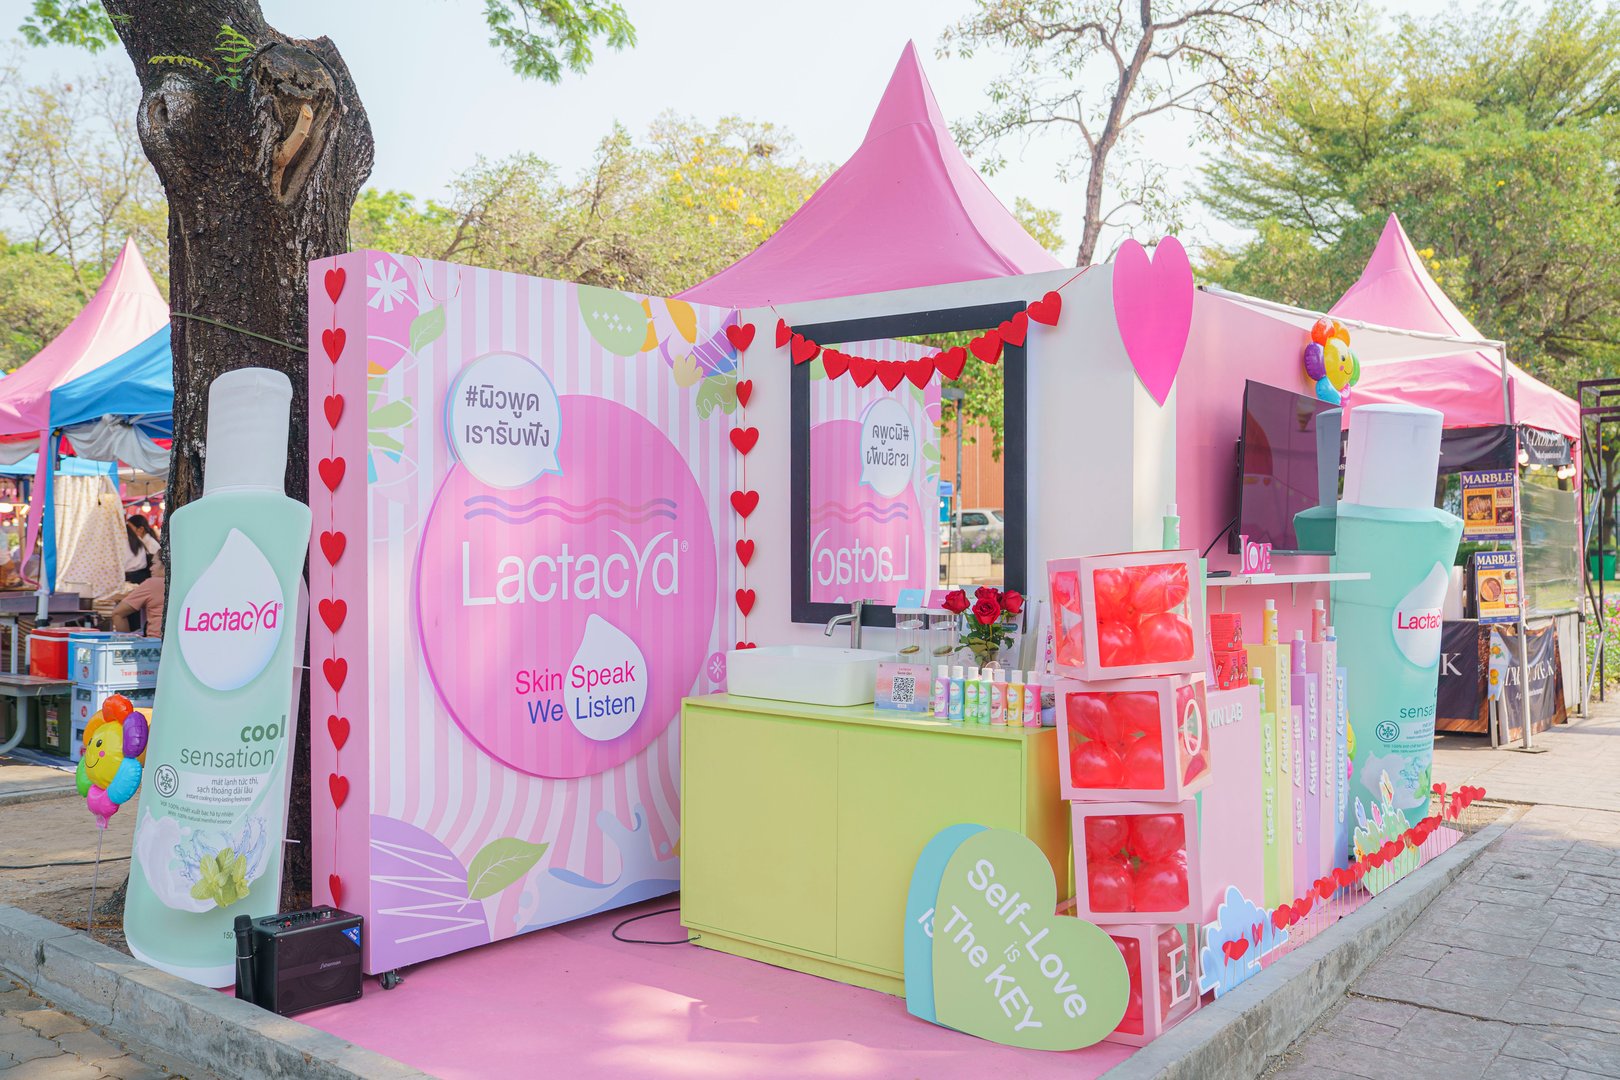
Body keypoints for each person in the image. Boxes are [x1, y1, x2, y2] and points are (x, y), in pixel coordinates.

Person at [113, 557, 164, 637]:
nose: (150, 568)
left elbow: (118, 613)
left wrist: (126, 642)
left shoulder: (152, 584)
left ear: (165, 565)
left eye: (154, 563)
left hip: (156, 641)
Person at [124, 514, 159, 585]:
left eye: (129, 528)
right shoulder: (139, 541)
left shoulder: (151, 544)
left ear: (141, 529)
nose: (126, 530)